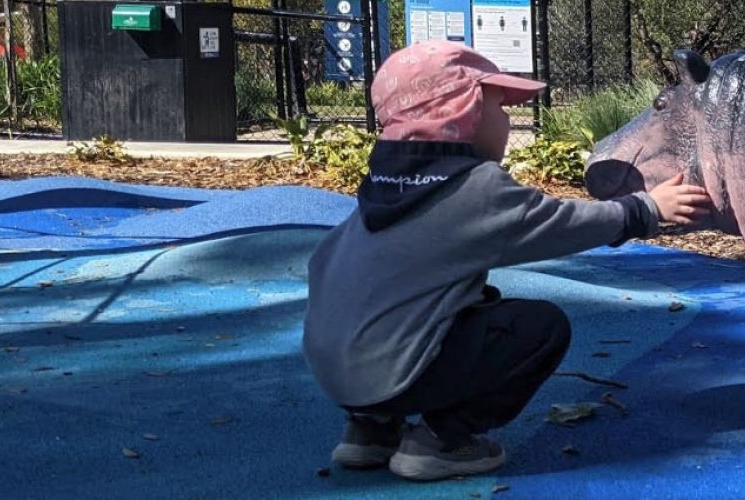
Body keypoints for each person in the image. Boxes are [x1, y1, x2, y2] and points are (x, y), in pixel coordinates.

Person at [301, 41, 712, 481]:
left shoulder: (384, 187)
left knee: (450, 304)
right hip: (394, 373)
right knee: (538, 329)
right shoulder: (470, 188)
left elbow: (324, 265)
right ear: (464, 111)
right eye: (500, 107)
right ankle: (441, 441)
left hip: (334, 372)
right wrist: (645, 208)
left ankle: (370, 430)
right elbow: (559, 224)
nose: (508, 120)